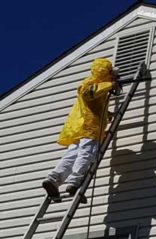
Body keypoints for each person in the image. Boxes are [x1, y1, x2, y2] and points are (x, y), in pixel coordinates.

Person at [42, 58, 116, 198]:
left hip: (80, 127)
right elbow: (88, 93)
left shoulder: (97, 85)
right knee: (87, 153)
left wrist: (107, 114)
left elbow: (94, 105)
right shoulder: (92, 83)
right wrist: (110, 84)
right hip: (89, 126)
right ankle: (74, 183)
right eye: (110, 71)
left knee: (72, 155)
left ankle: (53, 180)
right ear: (104, 71)